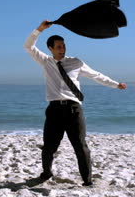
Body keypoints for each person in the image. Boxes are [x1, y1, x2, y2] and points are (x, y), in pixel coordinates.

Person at [24, 20, 126, 186]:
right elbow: (28, 46)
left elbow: (96, 75)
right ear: (50, 48)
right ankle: (46, 173)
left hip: (73, 109)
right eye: (58, 46)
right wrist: (39, 30)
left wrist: (116, 84)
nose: (62, 49)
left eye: (63, 46)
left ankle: (87, 180)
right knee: (49, 147)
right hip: (54, 110)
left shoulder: (76, 62)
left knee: (80, 146)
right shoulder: (46, 62)